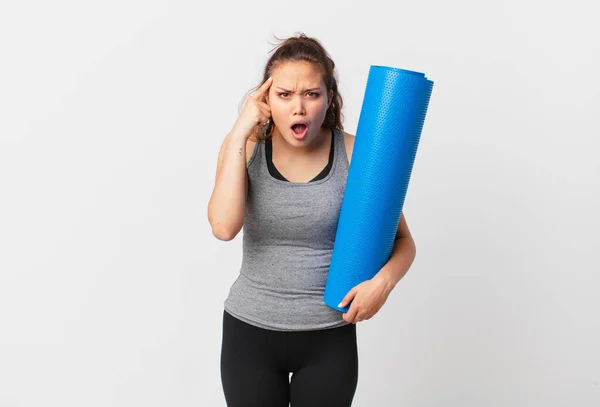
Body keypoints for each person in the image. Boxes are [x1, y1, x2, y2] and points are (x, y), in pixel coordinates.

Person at [207, 33, 416, 407]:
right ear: (266, 99)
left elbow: (402, 242)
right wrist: (241, 127)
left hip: (327, 337)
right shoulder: (246, 145)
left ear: (329, 98)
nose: (298, 108)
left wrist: (382, 284)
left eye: (311, 94)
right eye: (284, 94)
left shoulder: (356, 153)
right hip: (249, 333)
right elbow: (223, 227)